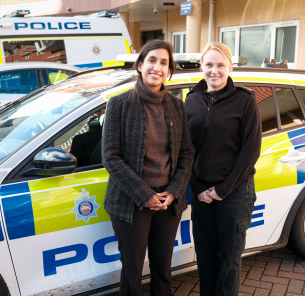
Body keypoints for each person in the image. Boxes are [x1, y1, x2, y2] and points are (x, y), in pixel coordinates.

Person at [102, 40, 194, 296]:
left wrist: (174, 191)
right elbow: (111, 157)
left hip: (168, 202)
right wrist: (145, 196)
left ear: (169, 70)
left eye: (164, 63)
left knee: (163, 269)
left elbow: (186, 153)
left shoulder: (177, 106)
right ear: (140, 65)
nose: (157, 67)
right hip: (131, 203)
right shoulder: (119, 104)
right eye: (152, 60)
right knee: (131, 272)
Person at [185, 42, 262, 296]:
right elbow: (186, 149)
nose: (214, 71)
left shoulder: (245, 99)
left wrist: (222, 189)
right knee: (206, 259)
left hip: (234, 194)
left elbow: (251, 150)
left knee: (229, 260)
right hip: (201, 194)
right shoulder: (192, 99)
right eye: (209, 65)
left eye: (220, 65)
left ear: (230, 66)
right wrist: (197, 188)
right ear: (201, 67)